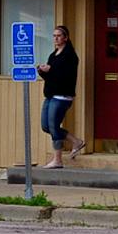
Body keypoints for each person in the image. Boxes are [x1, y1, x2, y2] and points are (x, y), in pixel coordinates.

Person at [38, 24, 84, 168]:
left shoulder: (70, 56)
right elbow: (50, 77)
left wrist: (51, 69)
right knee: (45, 126)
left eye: (59, 36)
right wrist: (42, 71)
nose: (56, 39)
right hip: (50, 94)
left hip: (62, 96)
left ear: (65, 38)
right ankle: (76, 141)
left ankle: (57, 159)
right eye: (54, 36)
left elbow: (66, 76)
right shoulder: (53, 55)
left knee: (53, 126)